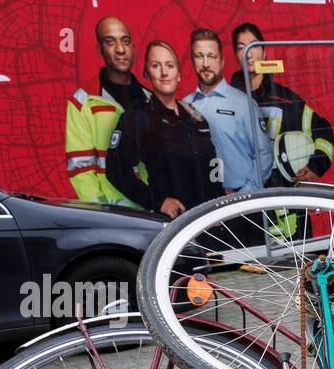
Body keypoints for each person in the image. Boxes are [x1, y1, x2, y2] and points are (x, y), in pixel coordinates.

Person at [105, 40, 224, 218]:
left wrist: (218, 202)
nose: (164, 72)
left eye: (170, 65)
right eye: (155, 66)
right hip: (173, 223)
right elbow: (116, 170)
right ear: (147, 73)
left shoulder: (195, 117)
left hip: (208, 221)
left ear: (178, 75)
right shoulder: (138, 116)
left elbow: (213, 166)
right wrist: (158, 201)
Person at [229, 22, 334, 183]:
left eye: (254, 46)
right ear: (236, 55)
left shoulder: (285, 99)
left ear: (264, 53)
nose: (248, 54)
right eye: (241, 47)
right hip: (243, 197)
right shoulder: (227, 102)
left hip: (282, 196)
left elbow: (323, 131)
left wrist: (315, 166)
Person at [65, 16, 149, 205]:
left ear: (133, 47)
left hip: (153, 210)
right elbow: (81, 171)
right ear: (99, 49)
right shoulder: (83, 102)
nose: (120, 49)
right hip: (113, 214)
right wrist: (100, 215)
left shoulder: (150, 99)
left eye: (125, 41)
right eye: (110, 42)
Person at [183, 29, 272, 193]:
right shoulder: (184, 106)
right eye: (199, 56)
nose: (205, 63)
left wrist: (243, 195)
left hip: (241, 204)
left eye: (211, 56)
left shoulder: (244, 104)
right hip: (202, 205)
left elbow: (264, 154)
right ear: (192, 60)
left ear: (222, 61)